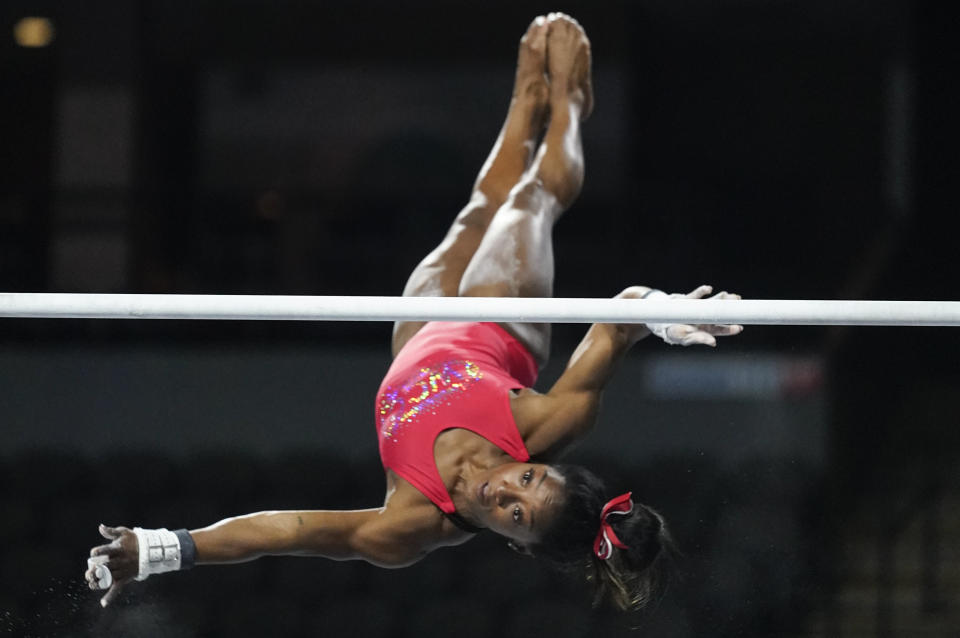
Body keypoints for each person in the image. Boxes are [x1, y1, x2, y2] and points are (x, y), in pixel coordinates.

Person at [85, 13, 742, 612]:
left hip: (418, 330)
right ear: (537, 462)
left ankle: (525, 104)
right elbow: (618, 315)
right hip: (498, 321)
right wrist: (664, 312)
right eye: (529, 480)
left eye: (515, 516)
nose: (503, 492)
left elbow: (289, 529)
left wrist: (161, 549)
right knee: (529, 198)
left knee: (478, 209)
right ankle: (567, 107)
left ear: (514, 543)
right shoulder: (547, 420)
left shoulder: (407, 526)